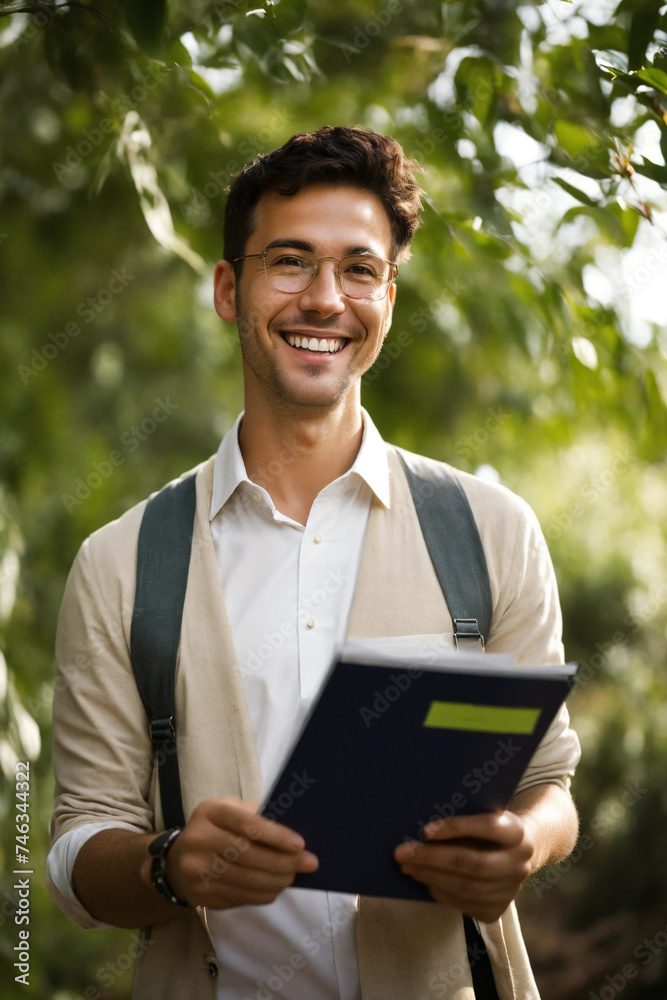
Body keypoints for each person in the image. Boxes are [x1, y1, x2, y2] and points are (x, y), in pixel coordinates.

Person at [47, 125, 581, 1000]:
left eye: (359, 269)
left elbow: (548, 782)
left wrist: (527, 844)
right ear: (230, 288)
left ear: (388, 298)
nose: (325, 299)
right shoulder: (120, 566)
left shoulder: (491, 532)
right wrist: (170, 866)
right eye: (289, 262)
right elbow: (75, 851)